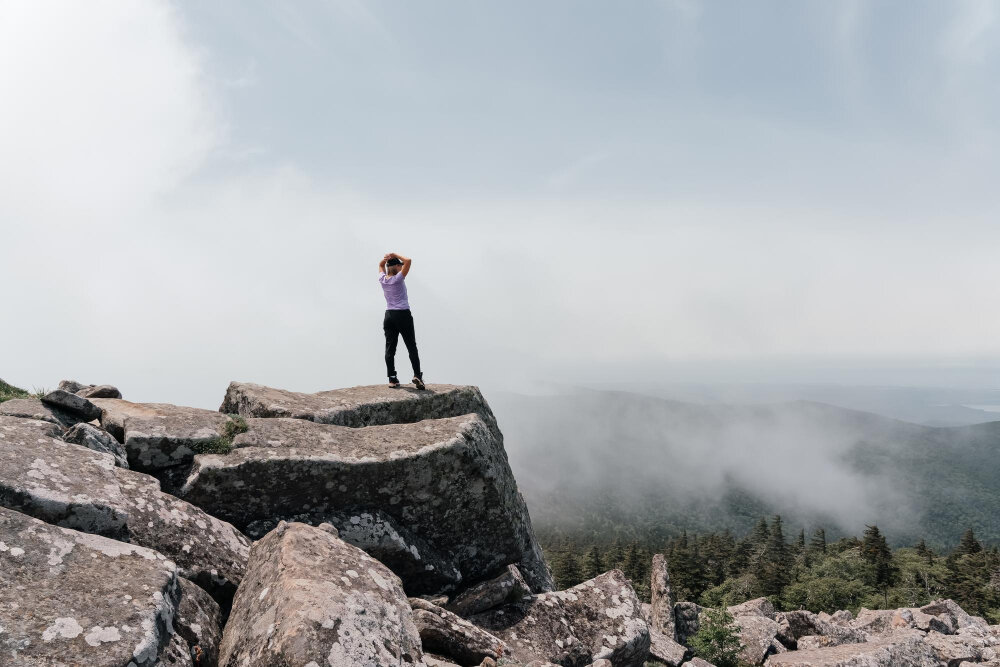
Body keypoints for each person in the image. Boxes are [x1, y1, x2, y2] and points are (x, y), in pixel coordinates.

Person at [378, 252, 425, 389]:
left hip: (389, 316)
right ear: (397, 266)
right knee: (411, 346)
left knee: (390, 348)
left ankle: (392, 378)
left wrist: (386, 259)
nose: (401, 267)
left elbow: (381, 265)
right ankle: (417, 376)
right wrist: (394, 255)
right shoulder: (398, 279)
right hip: (403, 314)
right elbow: (409, 260)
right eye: (399, 265)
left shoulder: (383, 279)